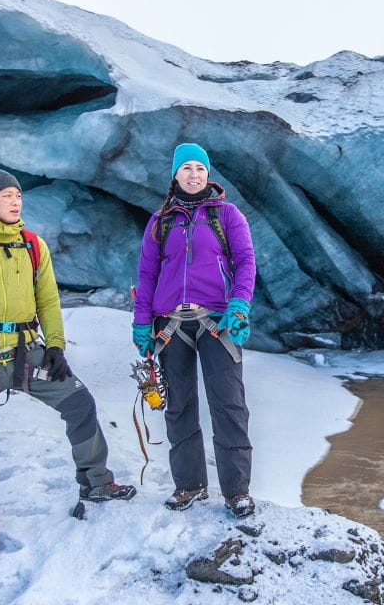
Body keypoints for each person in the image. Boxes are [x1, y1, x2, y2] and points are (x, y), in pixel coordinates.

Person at [0, 169, 135, 556]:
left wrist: (55, 346)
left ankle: (97, 482)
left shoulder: (32, 245)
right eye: (6, 195)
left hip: (26, 353)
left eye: (18, 195)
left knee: (79, 403)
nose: (16, 201)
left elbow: (48, 300)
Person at [132, 143, 257, 518]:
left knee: (229, 404)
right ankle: (189, 485)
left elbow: (245, 261)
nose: (194, 174)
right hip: (170, 325)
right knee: (179, 405)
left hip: (217, 321)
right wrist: (141, 322)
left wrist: (239, 304)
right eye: (186, 167)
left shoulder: (227, 214)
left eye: (200, 168)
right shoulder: (161, 221)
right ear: (175, 174)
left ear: (208, 174)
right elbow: (147, 274)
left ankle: (237, 491)